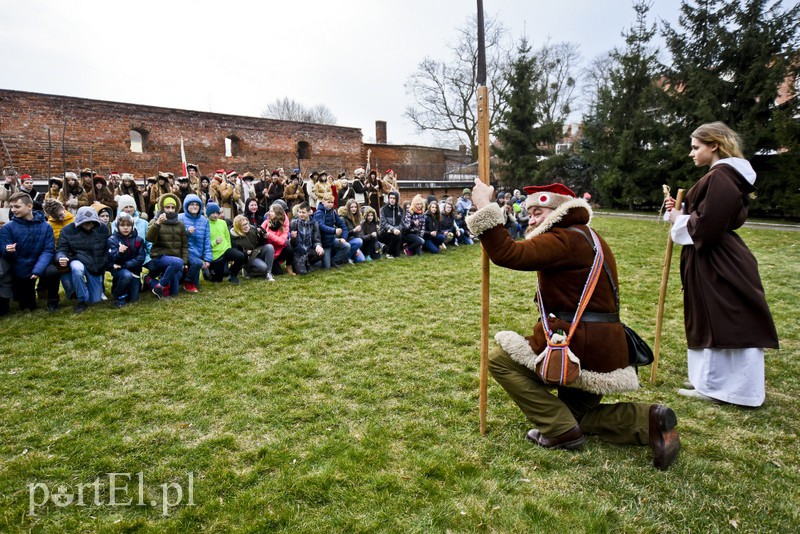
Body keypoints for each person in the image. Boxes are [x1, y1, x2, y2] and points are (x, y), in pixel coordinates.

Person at [466, 179, 680, 470]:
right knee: (577, 415)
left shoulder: (564, 238)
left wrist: (484, 208)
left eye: (538, 212)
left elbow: (508, 254)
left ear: (558, 211)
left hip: (577, 347)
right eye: (529, 212)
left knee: (500, 359)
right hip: (603, 348)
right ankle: (648, 420)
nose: (532, 217)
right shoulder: (587, 235)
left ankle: (559, 430)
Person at [665, 121, 778, 407]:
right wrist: (680, 212)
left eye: (696, 147)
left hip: (717, 259)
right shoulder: (723, 176)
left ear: (713, 145)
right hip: (713, 257)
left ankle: (728, 389)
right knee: (713, 317)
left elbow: (708, 226)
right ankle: (710, 382)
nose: (691, 153)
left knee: (726, 319)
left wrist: (679, 219)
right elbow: (706, 215)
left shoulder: (721, 177)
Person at [0, 192, 58, 313]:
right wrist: (7, 250)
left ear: (30, 206)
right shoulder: (7, 228)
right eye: (12, 207)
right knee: (27, 306)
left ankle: (52, 299)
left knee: (52, 272)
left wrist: (37, 270)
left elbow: (48, 250)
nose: (13, 210)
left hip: (39, 263)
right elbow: (4, 252)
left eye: (17, 206)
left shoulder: (46, 226)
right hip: (19, 267)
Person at [56, 205, 109, 313]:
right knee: (77, 269)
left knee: (96, 300)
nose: (89, 225)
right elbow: (61, 249)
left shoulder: (102, 229)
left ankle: (85, 287)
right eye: (85, 222)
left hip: (96, 263)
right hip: (77, 259)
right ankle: (81, 301)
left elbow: (107, 248)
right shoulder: (67, 231)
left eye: (91, 222)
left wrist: (104, 262)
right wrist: (61, 257)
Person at [145, 193, 187, 298]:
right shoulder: (155, 221)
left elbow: (184, 245)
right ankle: (161, 284)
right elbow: (149, 238)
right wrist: (157, 224)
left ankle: (151, 281)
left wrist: (185, 262)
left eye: (173, 207)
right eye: (167, 207)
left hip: (176, 261)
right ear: (162, 208)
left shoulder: (180, 224)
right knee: (177, 262)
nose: (170, 210)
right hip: (160, 257)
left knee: (173, 294)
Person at [107, 212, 146, 308]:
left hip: (133, 269)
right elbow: (113, 259)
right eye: (122, 225)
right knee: (126, 275)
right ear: (117, 226)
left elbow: (140, 258)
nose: (125, 228)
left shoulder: (138, 239)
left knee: (134, 299)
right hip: (118, 269)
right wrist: (120, 253)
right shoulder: (112, 240)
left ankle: (127, 289)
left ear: (132, 226)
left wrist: (125, 265)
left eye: (128, 225)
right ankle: (117, 295)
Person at [178, 194, 212, 293]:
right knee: (197, 263)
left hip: (197, 253)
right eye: (191, 204)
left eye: (197, 204)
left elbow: (206, 240)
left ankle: (187, 277)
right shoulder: (180, 218)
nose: (194, 206)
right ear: (186, 206)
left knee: (196, 283)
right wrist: (186, 232)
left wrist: (207, 258)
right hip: (184, 250)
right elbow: (175, 236)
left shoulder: (204, 220)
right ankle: (187, 282)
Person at [206, 202, 245, 284]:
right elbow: (204, 242)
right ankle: (207, 271)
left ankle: (233, 276)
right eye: (213, 213)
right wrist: (214, 242)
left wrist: (229, 249)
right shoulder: (205, 224)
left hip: (225, 250)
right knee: (218, 280)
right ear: (208, 213)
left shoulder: (223, 222)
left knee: (240, 256)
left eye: (217, 213)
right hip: (215, 254)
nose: (216, 215)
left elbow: (227, 237)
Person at [231, 215, 275, 280]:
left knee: (269, 247)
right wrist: (245, 252)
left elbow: (260, 243)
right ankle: (247, 270)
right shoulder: (234, 238)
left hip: (257, 252)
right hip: (248, 258)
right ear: (238, 227)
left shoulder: (252, 229)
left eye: (246, 224)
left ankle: (268, 273)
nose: (246, 226)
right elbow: (237, 253)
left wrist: (262, 236)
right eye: (243, 225)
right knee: (263, 267)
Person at [313, 193, 350, 268]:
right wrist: (334, 231)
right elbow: (321, 226)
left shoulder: (333, 212)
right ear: (323, 201)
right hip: (322, 243)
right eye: (328, 202)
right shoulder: (319, 213)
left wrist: (344, 238)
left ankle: (334, 260)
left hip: (331, 240)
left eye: (332, 202)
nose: (330, 204)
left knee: (347, 246)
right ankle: (315, 263)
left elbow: (343, 226)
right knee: (326, 267)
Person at [289, 202, 324, 275]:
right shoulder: (293, 223)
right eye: (299, 212)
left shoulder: (315, 224)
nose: (301, 214)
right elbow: (291, 245)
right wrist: (293, 238)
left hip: (309, 251)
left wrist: (318, 246)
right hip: (298, 252)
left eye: (303, 212)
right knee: (302, 272)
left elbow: (316, 239)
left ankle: (307, 262)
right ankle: (302, 264)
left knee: (321, 253)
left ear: (309, 212)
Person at [379, 191, 403, 259]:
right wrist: (393, 229)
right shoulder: (383, 209)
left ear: (397, 199)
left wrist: (396, 229)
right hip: (385, 231)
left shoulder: (400, 210)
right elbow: (383, 223)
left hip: (396, 232)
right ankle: (389, 253)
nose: (392, 200)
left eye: (394, 198)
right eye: (390, 198)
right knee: (397, 236)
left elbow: (402, 223)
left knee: (397, 254)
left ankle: (385, 248)